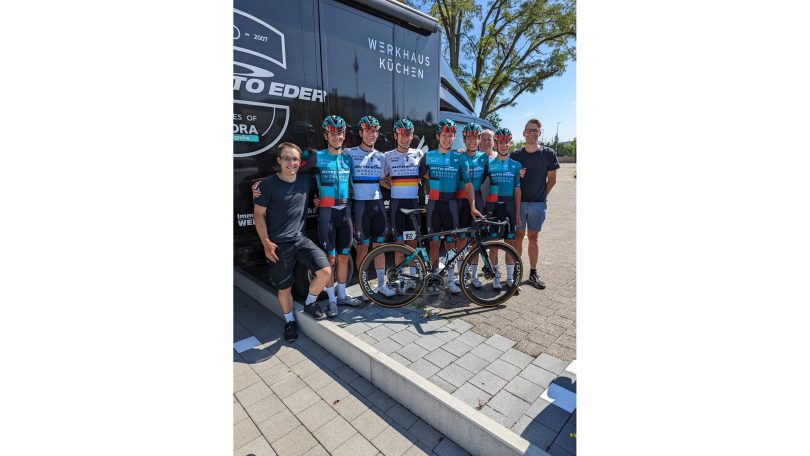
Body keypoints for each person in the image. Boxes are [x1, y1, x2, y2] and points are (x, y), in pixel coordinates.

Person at [253, 115, 363, 313]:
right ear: (325, 135)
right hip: (327, 214)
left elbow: (351, 185)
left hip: (345, 214)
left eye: (339, 133)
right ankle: (332, 301)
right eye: (332, 133)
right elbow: (292, 173)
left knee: (344, 257)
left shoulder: (348, 158)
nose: (336, 137)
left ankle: (342, 296)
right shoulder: (316, 157)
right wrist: (260, 184)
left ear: (344, 135)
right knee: (330, 259)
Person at [253, 142, 332, 341]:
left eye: (295, 159)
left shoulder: (305, 180)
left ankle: (310, 303)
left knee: (325, 271)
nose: (291, 163)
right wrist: (266, 242)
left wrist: (317, 200)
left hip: (300, 239)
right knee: (285, 288)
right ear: (279, 160)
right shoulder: (267, 185)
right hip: (278, 244)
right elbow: (258, 216)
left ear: (300, 162)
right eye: (287, 158)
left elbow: (327, 179)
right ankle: (289, 322)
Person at [418, 118, 482, 293]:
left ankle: (451, 279)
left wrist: (472, 206)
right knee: (434, 243)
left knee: (450, 244)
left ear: (454, 137)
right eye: (444, 135)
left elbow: (468, 184)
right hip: (434, 205)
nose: (446, 139)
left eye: (450, 136)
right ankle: (433, 276)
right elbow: (419, 176)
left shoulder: (459, 158)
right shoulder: (428, 156)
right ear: (438, 136)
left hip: (451, 205)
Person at [345, 116, 394, 298]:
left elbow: (383, 180)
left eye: (374, 131)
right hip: (360, 205)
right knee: (363, 248)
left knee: (379, 246)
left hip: (378, 204)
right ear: (360, 133)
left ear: (377, 133)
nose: (371, 134)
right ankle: (364, 287)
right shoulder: (349, 153)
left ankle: (381, 285)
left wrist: (398, 186)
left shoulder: (381, 157)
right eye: (367, 131)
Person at [512, 118, 560, 289]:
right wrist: (517, 175)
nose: (531, 133)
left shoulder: (548, 154)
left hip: (538, 205)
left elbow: (552, 180)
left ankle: (533, 273)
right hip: (519, 204)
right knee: (518, 237)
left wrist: (541, 196)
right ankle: (516, 273)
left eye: (534, 130)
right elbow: (510, 178)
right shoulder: (515, 155)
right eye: (528, 130)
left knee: (533, 238)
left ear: (539, 133)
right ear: (523, 133)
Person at [382, 118, 424, 292]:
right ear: (395, 136)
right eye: (401, 134)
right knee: (399, 243)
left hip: (412, 203)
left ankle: (412, 278)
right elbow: (381, 178)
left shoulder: (419, 154)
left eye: (408, 134)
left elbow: (426, 174)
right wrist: (393, 187)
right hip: (397, 204)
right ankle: (399, 279)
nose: (405, 138)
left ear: (412, 136)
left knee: (412, 242)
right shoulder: (388, 156)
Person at [485, 128, 522, 292]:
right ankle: (495, 276)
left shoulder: (516, 165)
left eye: (507, 142)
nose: (504, 145)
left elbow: (517, 189)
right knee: (493, 244)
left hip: (509, 207)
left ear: (510, 143)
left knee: (510, 243)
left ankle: (511, 278)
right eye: (501, 142)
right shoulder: (488, 164)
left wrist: (518, 212)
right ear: (496, 143)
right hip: (493, 207)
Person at [453, 122, 489, 288]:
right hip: (461, 201)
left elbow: (486, 175)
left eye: (475, 138)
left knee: (476, 239)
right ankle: (462, 273)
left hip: (478, 199)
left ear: (479, 139)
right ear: (464, 139)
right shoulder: (459, 156)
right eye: (469, 138)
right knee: (461, 239)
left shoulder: (484, 157)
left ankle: (474, 276)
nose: (472, 141)